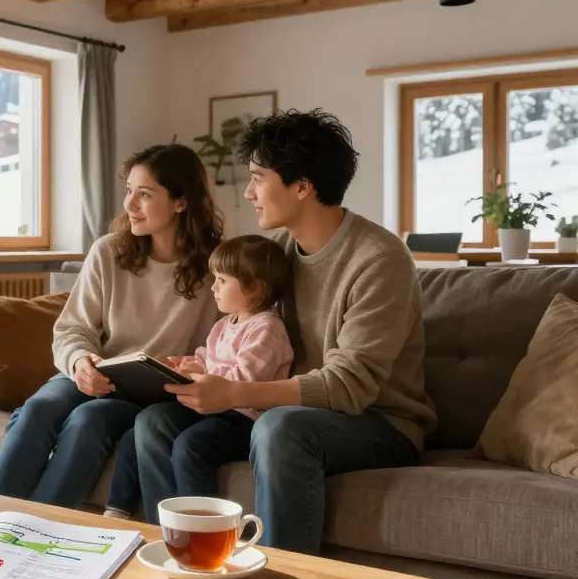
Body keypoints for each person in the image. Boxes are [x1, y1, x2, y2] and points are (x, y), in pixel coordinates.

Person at [134, 109, 437, 555]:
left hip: (379, 421)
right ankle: (190, 556)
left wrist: (234, 395)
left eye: (258, 178)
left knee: (281, 429)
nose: (249, 192)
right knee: (155, 422)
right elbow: (245, 336)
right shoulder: (276, 253)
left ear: (302, 186)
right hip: (288, 410)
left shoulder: (379, 260)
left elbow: (349, 387)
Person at [0, 143, 223, 508]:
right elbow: (72, 329)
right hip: (94, 375)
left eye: (144, 194)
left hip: (153, 396)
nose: (129, 204)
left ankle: (37, 529)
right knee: (38, 409)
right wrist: (81, 363)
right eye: (130, 191)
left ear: (181, 201)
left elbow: (229, 345)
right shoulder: (109, 251)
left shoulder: (218, 268)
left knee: (88, 421)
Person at [102, 235, 294, 520]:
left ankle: (201, 525)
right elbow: (206, 359)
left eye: (222, 280)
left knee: (191, 446)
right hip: (210, 408)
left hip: (243, 418)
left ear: (255, 288)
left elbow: (244, 379)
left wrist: (198, 375)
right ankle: (120, 510)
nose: (214, 287)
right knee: (142, 426)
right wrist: (183, 364)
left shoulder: (267, 328)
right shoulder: (223, 325)